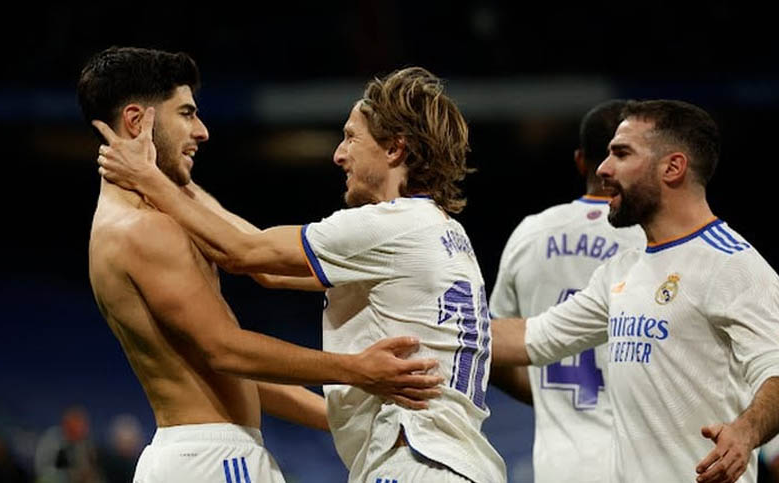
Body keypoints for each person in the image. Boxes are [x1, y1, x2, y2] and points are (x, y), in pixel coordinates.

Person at [94, 66, 506, 482]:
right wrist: (181, 185)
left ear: (395, 149)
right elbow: (268, 272)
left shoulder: (390, 227)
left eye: (351, 137)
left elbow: (243, 252)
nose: (338, 154)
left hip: (416, 460)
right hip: (459, 460)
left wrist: (150, 178)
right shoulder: (444, 235)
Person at [492, 99, 779, 483]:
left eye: (621, 154)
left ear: (672, 167)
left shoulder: (731, 265)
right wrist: (426, 327)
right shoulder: (621, 270)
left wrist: (746, 432)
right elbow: (532, 337)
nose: (603, 169)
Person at [489, 99, 645, 482]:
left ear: (579, 161)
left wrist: (550, 396)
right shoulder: (651, 241)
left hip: (558, 466)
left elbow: (488, 350)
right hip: (641, 463)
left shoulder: (529, 233)